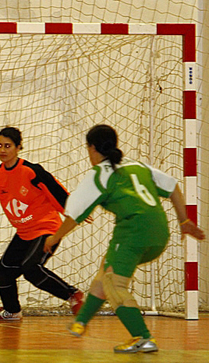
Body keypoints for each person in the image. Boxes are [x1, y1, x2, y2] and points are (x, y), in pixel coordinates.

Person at [44, 124, 205, 353]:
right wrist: (184, 221)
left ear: (91, 148)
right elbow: (172, 187)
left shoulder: (98, 174)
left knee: (113, 284)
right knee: (106, 270)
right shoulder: (137, 166)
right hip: (159, 232)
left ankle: (143, 337)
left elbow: (74, 214)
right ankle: (80, 323)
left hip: (133, 232)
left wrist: (53, 238)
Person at [0, 126, 84, 321]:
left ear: (18, 147)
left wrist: (74, 210)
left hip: (46, 228)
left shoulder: (31, 171)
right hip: (24, 232)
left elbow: (56, 191)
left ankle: (73, 295)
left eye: (7, 146)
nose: (2, 150)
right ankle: (12, 311)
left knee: (31, 268)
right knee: (3, 273)